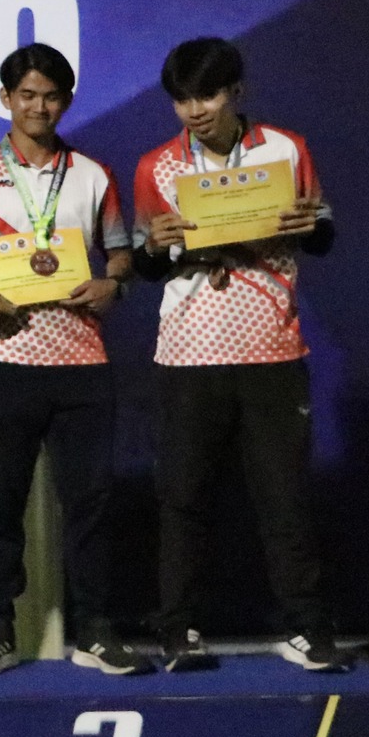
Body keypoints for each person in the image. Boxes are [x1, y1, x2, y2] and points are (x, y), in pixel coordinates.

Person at [0, 44, 149, 677]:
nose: (38, 107)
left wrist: (114, 285)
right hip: (2, 355)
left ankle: (97, 631)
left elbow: (121, 254)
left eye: (51, 96)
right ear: (7, 99)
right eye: (27, 94)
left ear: (66, 102)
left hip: (81, 358)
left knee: (91, 503)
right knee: (1, 503)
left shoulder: (93, 174)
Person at [132, 37, 340, 673]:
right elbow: (145, 263)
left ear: (236, 92)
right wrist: (157, 245)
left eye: (207, 95)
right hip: (189, 352)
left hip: (272, 349)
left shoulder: (286, 150)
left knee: (284, 498)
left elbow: (323, 234)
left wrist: (312, 225)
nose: (194, 110)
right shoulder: (157, 167)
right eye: (182, 99)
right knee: (184, 498)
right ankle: (179, 630)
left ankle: (307, 630)